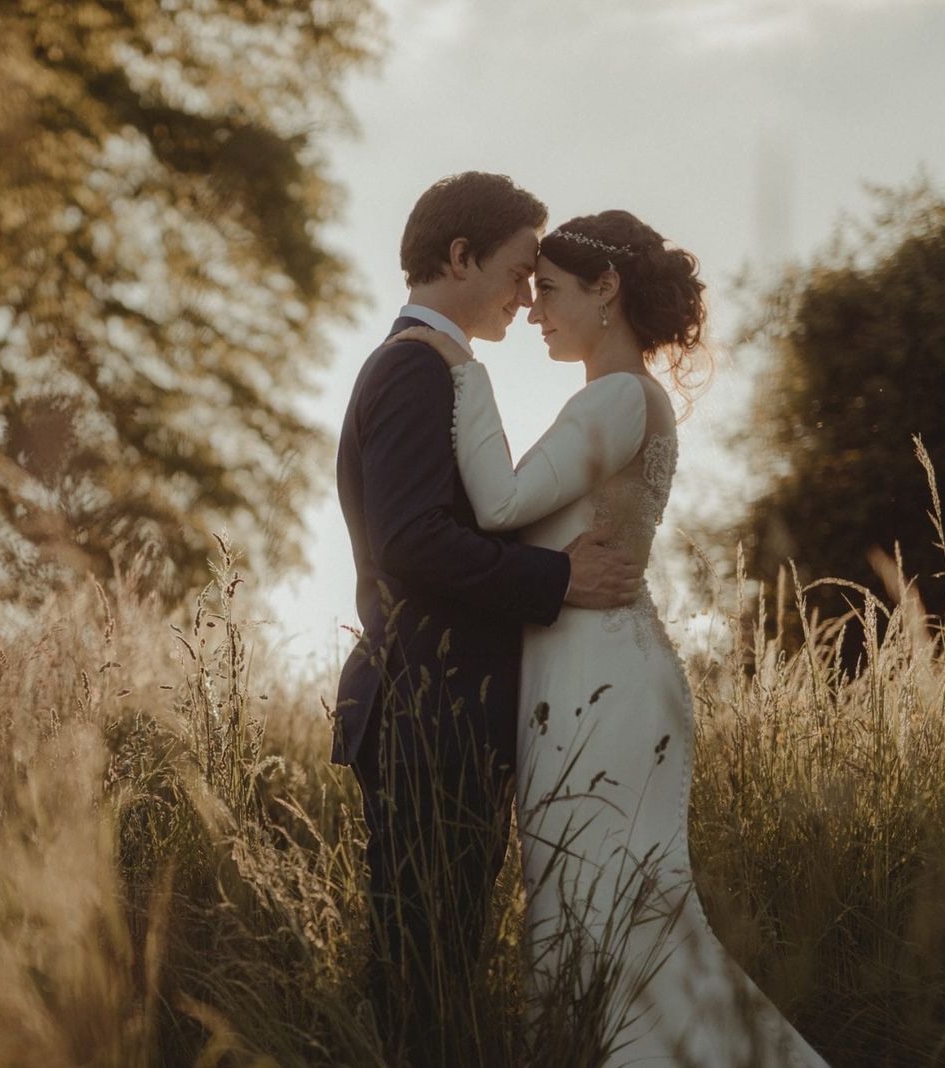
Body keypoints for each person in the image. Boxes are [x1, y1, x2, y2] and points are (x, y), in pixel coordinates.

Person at [391, 209, 829, 1064]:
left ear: (607, 290)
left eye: (549, 289)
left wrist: (462, 372)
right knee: (581, 911)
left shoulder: (619, 395)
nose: (535, 308)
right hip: (578, 676)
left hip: (606, 683)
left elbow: (502, 507)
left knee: (615, 911)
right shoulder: (613, 397)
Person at [331, 172, 642, 1063]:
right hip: (428, 713)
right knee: (423, 974)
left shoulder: (431, 368)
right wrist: (556, 580)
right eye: (515, 270)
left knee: (438, 963)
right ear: (460, 257)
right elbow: (412, 542)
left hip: (446, 713)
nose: (525, 292)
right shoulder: (413, 370)